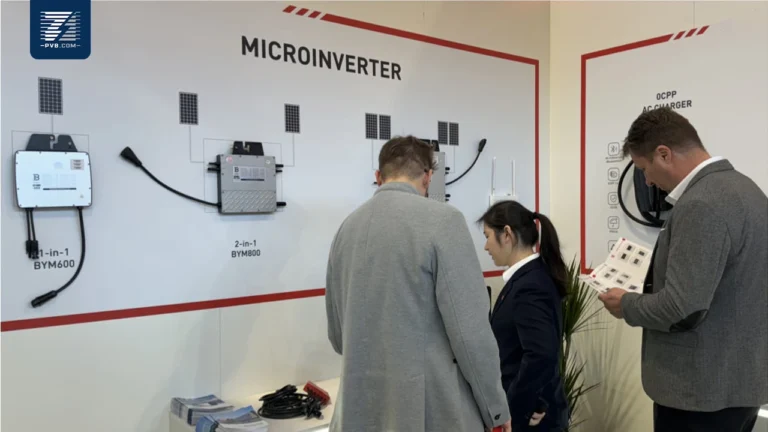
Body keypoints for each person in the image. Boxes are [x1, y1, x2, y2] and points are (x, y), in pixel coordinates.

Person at [324, 135, 512, 432]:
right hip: (432, 412)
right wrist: (497, 411)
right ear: (428, 177)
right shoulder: (444, 221)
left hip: (358, 413)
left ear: (378, 177)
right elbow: (471, 336)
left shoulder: (346, 229)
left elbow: (338, 337)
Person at [598, 107, 768, 431]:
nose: (646, 180)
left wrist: (626, 305)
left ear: (664, 154)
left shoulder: (701, 204)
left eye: (643, 168)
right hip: (741, 384)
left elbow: (681, 307)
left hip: (698, 394)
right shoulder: (748, 190)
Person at [478, 201, 570, 431]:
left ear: (507, 234)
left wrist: (519, 408)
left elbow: (540, 354)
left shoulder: (530, 285)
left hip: (534, 419)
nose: (486, 246)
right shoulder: (528, 278)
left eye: (488, 236)